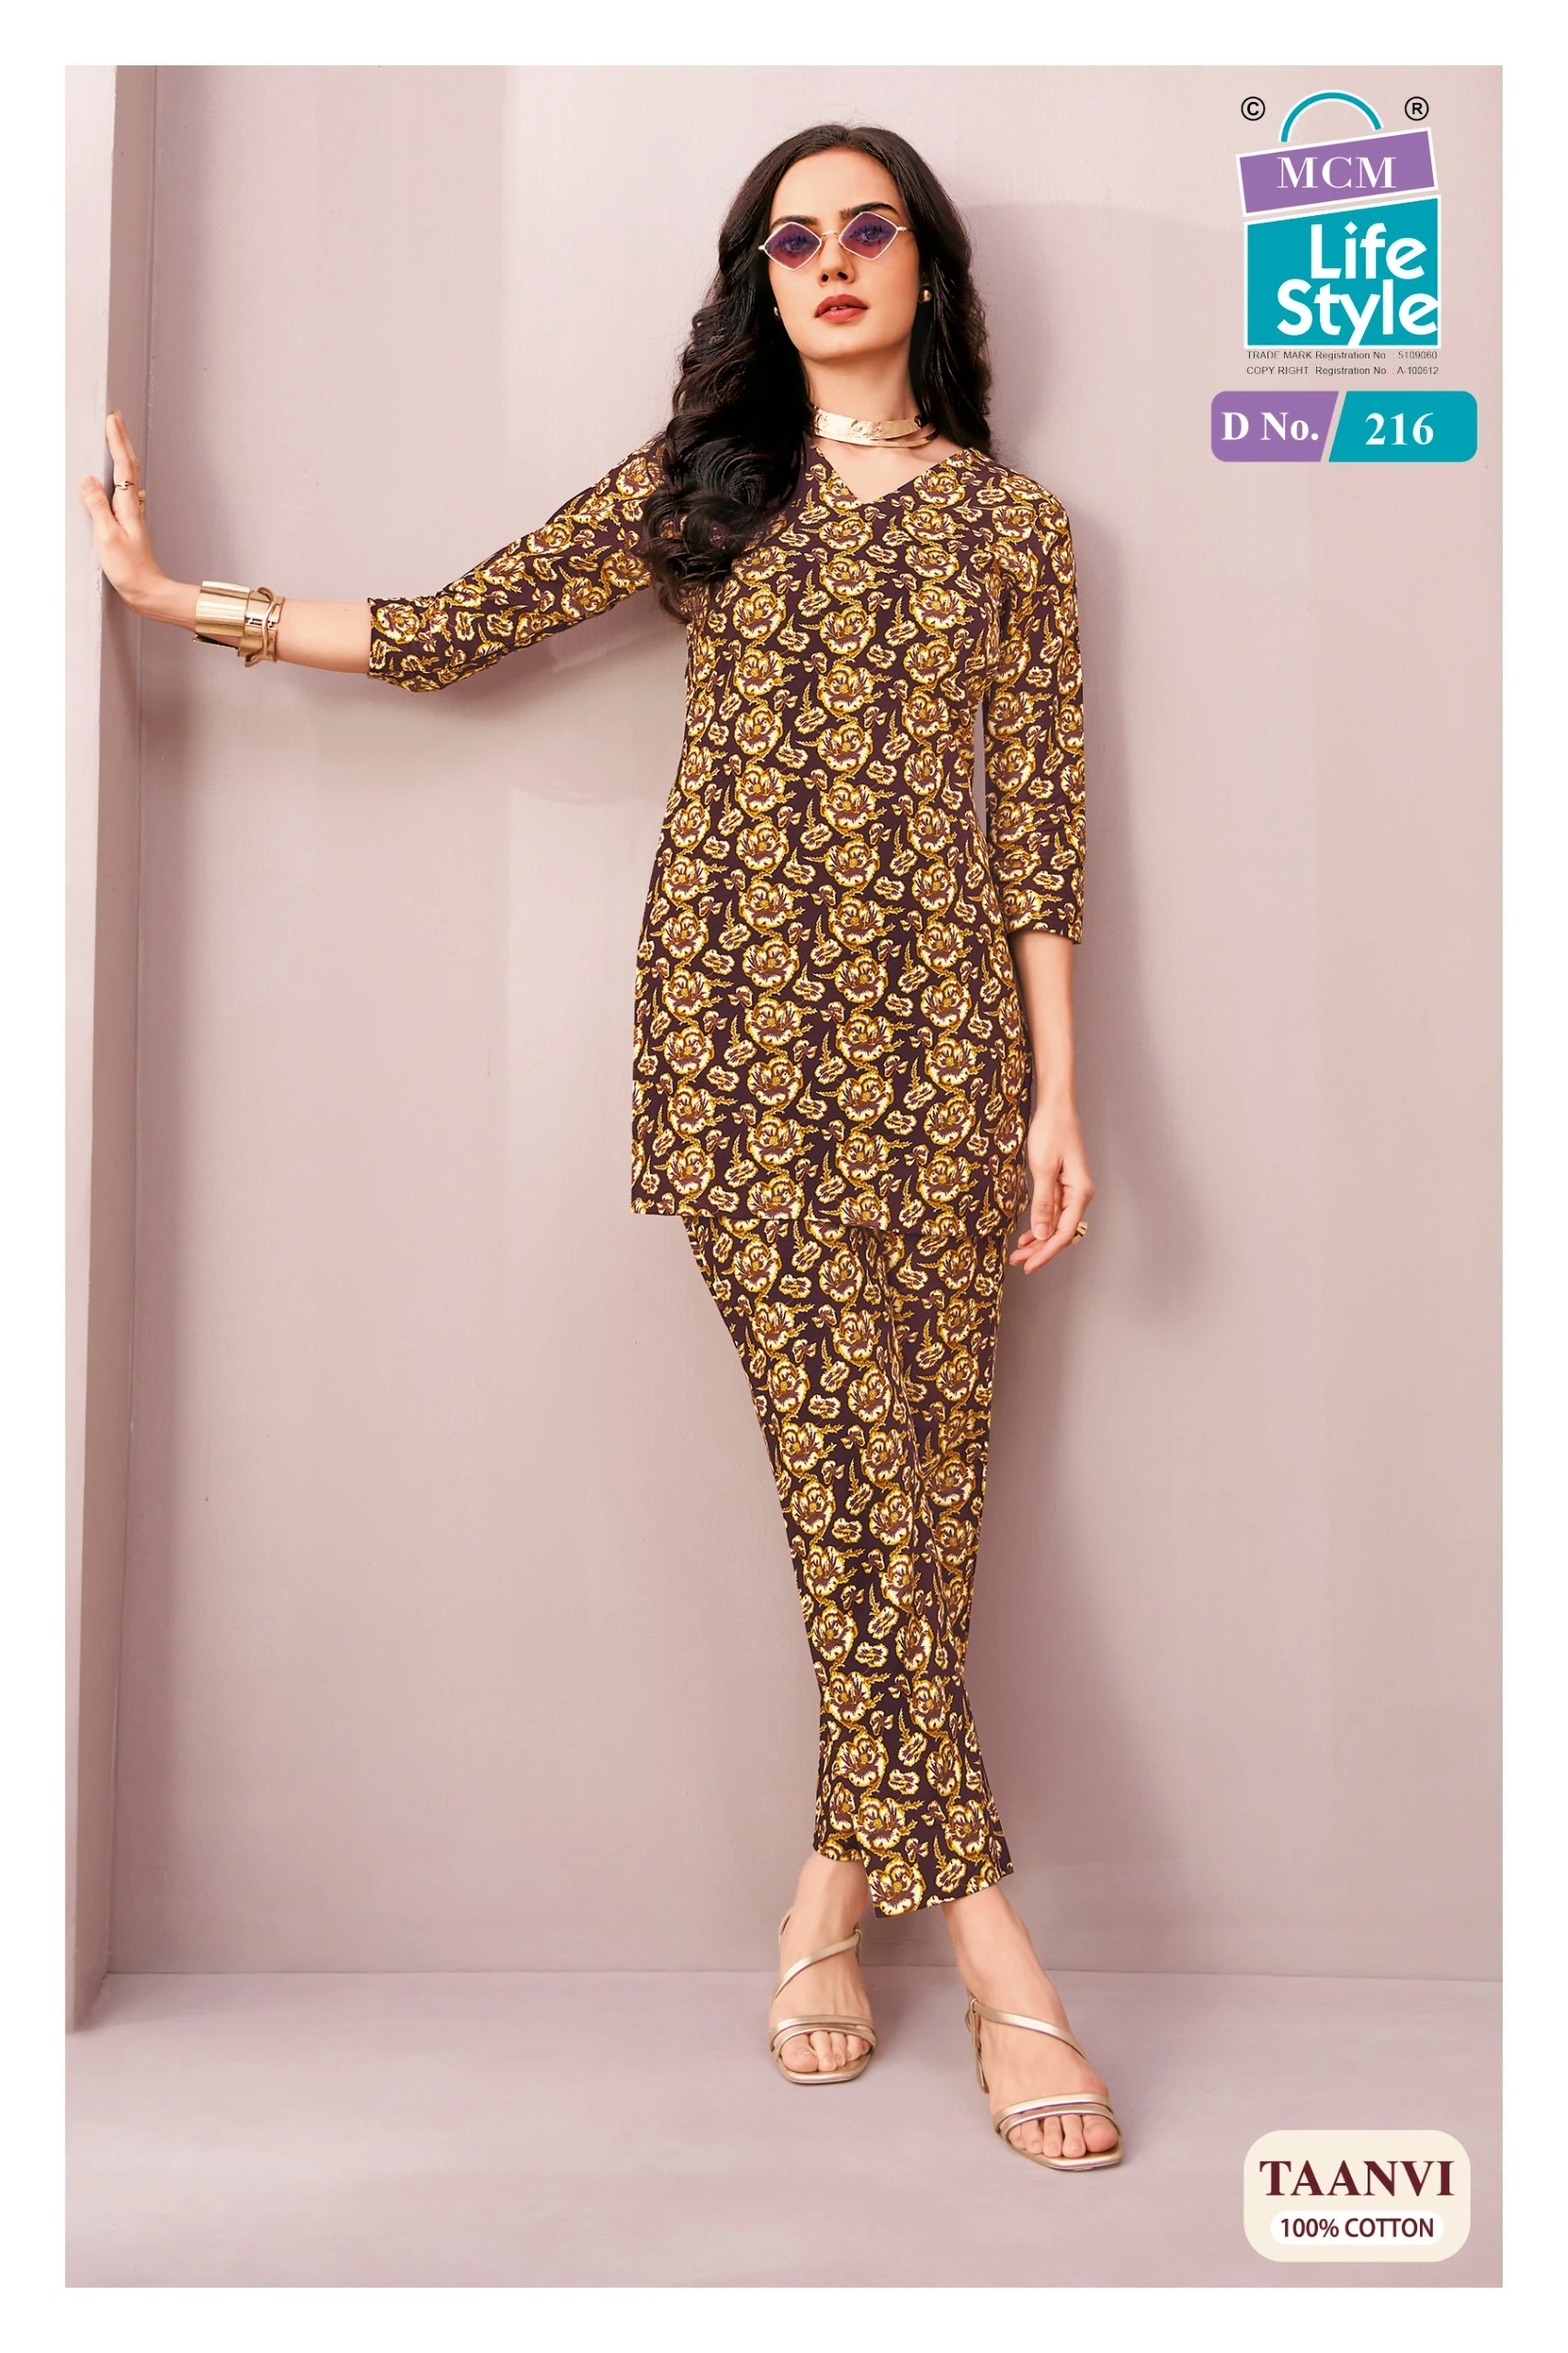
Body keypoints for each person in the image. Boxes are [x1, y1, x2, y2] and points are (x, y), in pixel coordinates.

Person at [78, 120, 1120, 2173]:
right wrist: (177, 595)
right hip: (739, 1046)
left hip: (947, 1059)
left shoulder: (1017, 528)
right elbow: (455, 623)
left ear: (926, 267)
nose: (830, 261)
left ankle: (821, 1912)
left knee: (920, 1508)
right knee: (851, 1486)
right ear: (757, 281)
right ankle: (1007, 1960)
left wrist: (1057, 1091)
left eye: (867, 228)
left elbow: (1041, 824)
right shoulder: (706, 489)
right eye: (790, 239)